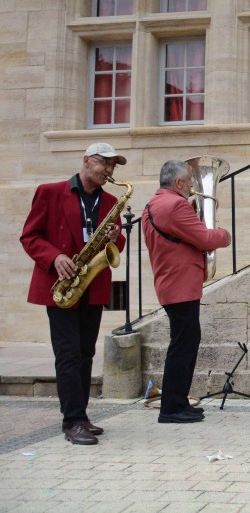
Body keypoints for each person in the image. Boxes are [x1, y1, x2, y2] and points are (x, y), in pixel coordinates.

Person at [20, 142, 128, 445]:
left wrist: (115, 237)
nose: (110, 171)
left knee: (85, 354)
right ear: (86, 161)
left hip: (92, 285)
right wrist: (54, 257)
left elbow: (114, 249)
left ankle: (80, 413)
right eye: (105, 164)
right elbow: (30, 236)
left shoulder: (110, 202)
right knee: (67, 354)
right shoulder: (49, 192)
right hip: (62, 285)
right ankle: (72, 421)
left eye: (113, 166)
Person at [142, 160, 231, 424]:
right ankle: (170, 408)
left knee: (183, 344)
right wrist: (224, 235)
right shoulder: (174, 204)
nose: (193, 184)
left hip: (172, 283)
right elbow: (204, 238)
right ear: (178, 183)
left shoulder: (153, 204)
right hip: (180, 285)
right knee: (183, 347)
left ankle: (178, 401)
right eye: (190, 179)